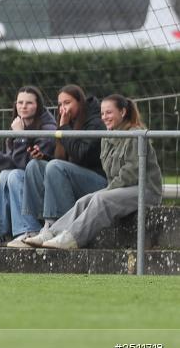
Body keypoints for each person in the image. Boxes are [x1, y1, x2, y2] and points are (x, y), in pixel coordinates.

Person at [40, 94, 162, 249]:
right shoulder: (106, 137)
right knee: (84, 201)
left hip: (146, 191)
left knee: (101, 199)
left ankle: (72, 238)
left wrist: (106, 191)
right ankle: (53, 232)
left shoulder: (135, 135)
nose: (104, 117)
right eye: (102, 113)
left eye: (109, 113)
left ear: (123, 112)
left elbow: (130, 174)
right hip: (122, 189)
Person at [22, 84, 107, 247]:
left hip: (98, 183)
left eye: (67, 103)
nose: (63, 108)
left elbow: (82, 156)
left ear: (79, 102)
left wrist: (63, 128)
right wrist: (44, 157)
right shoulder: (71, 121)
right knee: (35, 165)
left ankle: (54, 226)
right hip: (76, 177)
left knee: (54, 166)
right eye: (60, 104)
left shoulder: (95, 123)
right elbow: (66, 160)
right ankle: (35, 227)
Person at [0, 86, 56, 248]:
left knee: (14, 175)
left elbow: (27, 165)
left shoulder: (48, 128)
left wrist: (21, 136)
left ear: (38, 106)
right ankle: (0, 232)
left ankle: (31, 230)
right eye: (20, 102)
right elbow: (13, 162)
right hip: (23, 179)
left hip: (45, 187)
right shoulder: (18, 125)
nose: (23, 106)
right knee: (5, 175)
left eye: (29, 103)